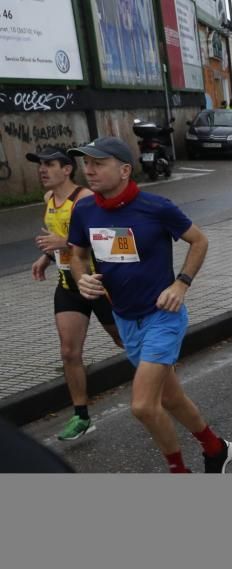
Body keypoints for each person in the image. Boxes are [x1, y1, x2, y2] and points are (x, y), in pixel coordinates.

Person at [66, 136, 232, 473]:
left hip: (163, 316)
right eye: (86, 163)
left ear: (125, 169)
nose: (89, 170)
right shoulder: (84, 210)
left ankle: (179, 471)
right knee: (171, 398)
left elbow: (199, 240)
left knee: (143, 406)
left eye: (98, 163)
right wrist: (81, 276)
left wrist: (181, 284)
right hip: (126, 318)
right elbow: (77, 255)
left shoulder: (156, 207)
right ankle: (216, 449)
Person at [28, 148, 122, 441]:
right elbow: (57, 238)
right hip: (69, 285)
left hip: (98, 283)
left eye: (49, 165)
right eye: (40, 166)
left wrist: (63, 243)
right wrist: (47, 256)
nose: (42, 170)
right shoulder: (48, 199)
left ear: (67, 169)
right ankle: (81, 416)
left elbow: (109, 241)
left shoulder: (86, 199)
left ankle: (162, 385)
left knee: (126, 340)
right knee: (69, 352)